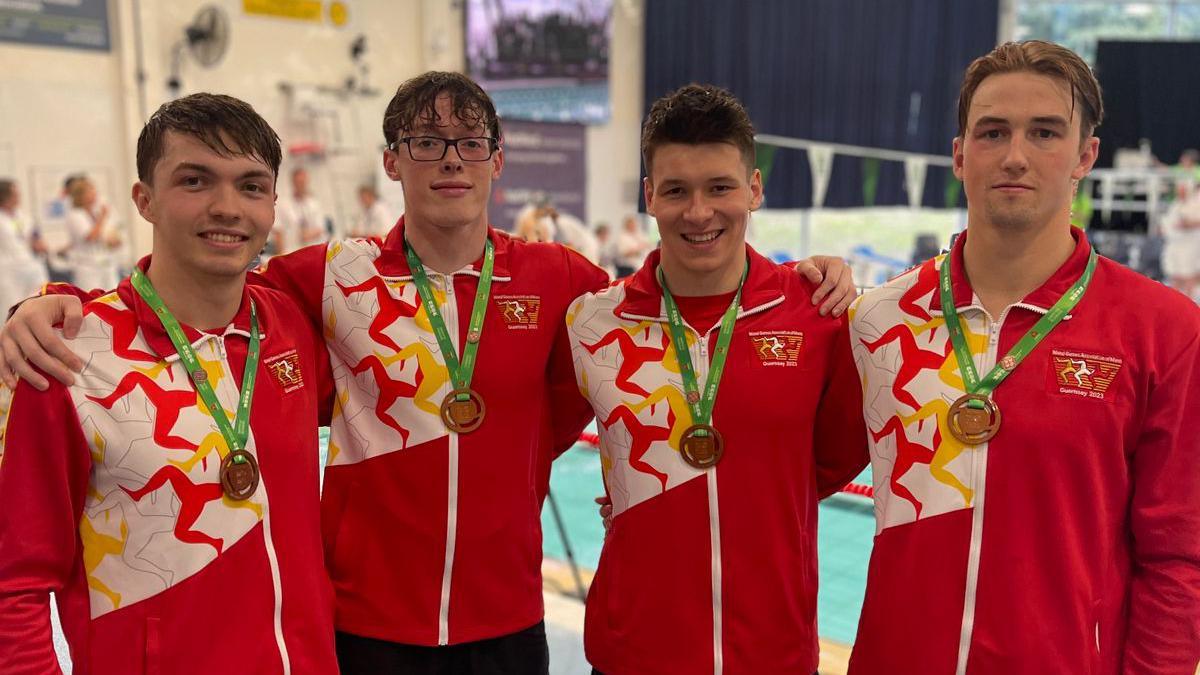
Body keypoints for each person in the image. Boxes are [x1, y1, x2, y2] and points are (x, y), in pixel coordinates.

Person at [0, 71, 857, 675]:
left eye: (468, 140)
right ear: (391, 162)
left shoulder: (565, 285)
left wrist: (808, 276)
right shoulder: (323, 278)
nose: (449, 157)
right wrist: (52, 301)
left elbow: (640, 364)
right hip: (364, 624)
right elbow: (199, 292)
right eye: (425, 140)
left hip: (509, 619)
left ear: (497, 160)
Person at [847, 40, 1200, 673]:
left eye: (1044, 133)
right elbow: (785, 465)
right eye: (992, 133)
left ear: (1084, 156)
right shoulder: (877, 318)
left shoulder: (1163, 330)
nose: (1015, 156)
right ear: (959, 155)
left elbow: (1179, 556)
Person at [0, 93, 337, 672]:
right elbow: (14, 585)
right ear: (144, 200)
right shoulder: (65, 357)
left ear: (275, 205)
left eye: (251, 186)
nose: (228, 207)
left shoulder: (294, 328)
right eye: (196, 181)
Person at [570, 84, 868, 675]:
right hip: (632, 652)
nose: (699, 212)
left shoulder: (818, 315)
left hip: (770, 653)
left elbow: (828, 465)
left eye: (720, 187)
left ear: (754, 189)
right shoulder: (591, 322)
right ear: (649, 196)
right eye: (676, 190)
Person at [63, 176, 122, 290]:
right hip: (87, 268)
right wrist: (103, 217)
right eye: (90, 191)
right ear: (80, 196)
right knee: (91, 299)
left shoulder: (95, 213)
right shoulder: (75, 215)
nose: (94, 193)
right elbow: (91, 237)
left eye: (94, 190)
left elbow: (104, 237)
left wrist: (114, 241)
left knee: (111, 298)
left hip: (106, 264)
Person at [0, 179, 49, 316]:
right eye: (14, 192)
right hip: (8, 270)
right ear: (3, 195)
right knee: (10, 308)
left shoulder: (22, 215)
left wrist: (39, 242)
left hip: (30, 265)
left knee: (39, 302)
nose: (18, 196)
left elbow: (34, 234)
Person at [273, 166, 328, 252]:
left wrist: (309, 234)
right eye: (298, 182)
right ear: (293, 182)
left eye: (303, 182)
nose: (301, 184)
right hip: (292, 250)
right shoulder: (283, 204)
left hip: (313, 249)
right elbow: (278, 231)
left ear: (307, 181)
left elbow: (321, 228)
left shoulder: (314, 203)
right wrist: (281, 254)